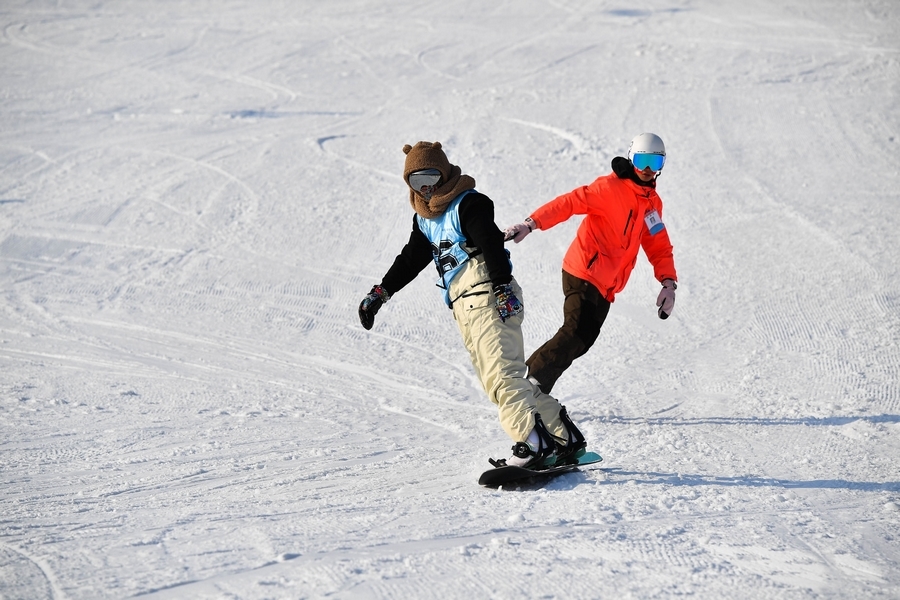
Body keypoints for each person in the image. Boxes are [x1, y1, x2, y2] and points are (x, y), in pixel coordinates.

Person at [358, 141, 587, 469]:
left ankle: (533, 444)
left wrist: (502, 287)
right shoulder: (425, 220)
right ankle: (564, 437)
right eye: (416, 182)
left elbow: (491, 244)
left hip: (487, 296)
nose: (425, 188)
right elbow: (410, 260)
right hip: (465, 306)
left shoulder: (468, 204)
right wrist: (380, 293)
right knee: (506, 378)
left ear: (445, 173)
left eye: (430, 177)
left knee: (502, 377)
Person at [503, 133, 678, 395]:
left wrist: (668, 282)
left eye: (655, 162)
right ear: (631, 159)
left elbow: (658, 244)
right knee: (574, 332)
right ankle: (526, 388)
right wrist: (532, 223)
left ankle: (533, 386)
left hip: (606, 284)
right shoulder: (609, 188)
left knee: (583, 340)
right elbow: (569, 203)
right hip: (583, 271)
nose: (647, 169)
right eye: (642, 160)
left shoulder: (652, 204)